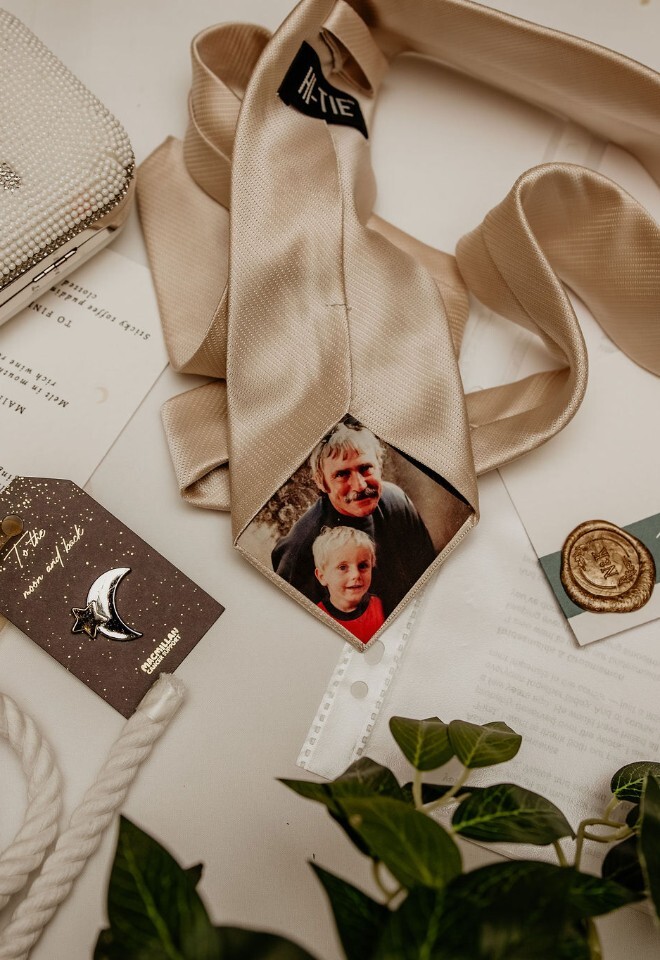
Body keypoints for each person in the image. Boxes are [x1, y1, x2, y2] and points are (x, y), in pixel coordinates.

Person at [271, 416, 436, 616]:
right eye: (342, 474)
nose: (360, 486)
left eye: (365, 468)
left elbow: (431, 576)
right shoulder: (301, 548)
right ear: (322, 483)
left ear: (379, 466)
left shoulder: (397, 502)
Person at [312, 526, 385, 644]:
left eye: (362, 566)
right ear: (322, 576)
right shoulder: (317, 617)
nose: (356, 575)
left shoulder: (380, 606)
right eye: (343, 567)